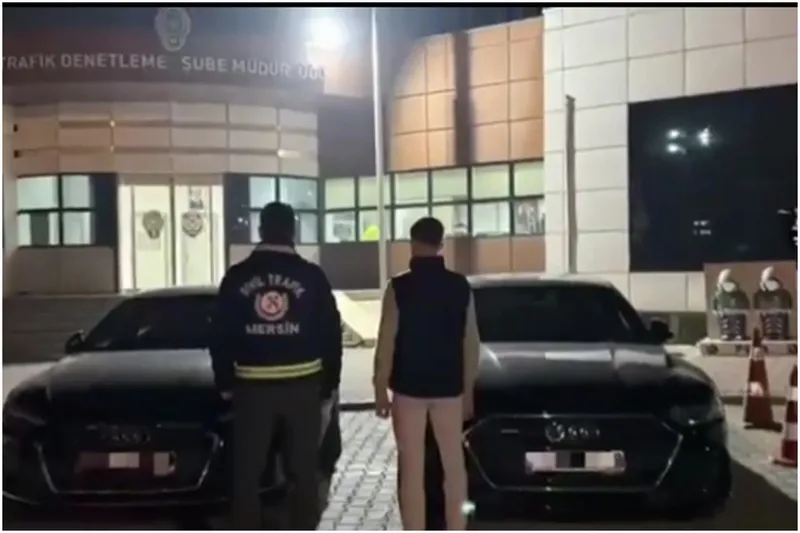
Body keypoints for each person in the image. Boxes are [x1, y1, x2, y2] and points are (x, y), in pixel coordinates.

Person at [209, 201, 342, 530]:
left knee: (246, 475)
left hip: (251, 388)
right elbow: (331, 332)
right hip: (304, 386)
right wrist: (330, 383)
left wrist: (225, 382)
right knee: (304, 473)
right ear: (292, 231)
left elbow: (220, 333)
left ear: (261, 230)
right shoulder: (311, 276)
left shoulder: (237, 276)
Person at [372, 216, 481, 530]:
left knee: (412, 468)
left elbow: (386, 341)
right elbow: (471, 343)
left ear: (412, 243)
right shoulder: (459, 286)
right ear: (441, 244)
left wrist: (380, 388)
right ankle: (456, 526)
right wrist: (467, 391)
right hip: (449, 390)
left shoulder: (399, 287)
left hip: (409, 390)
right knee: (454, 466)